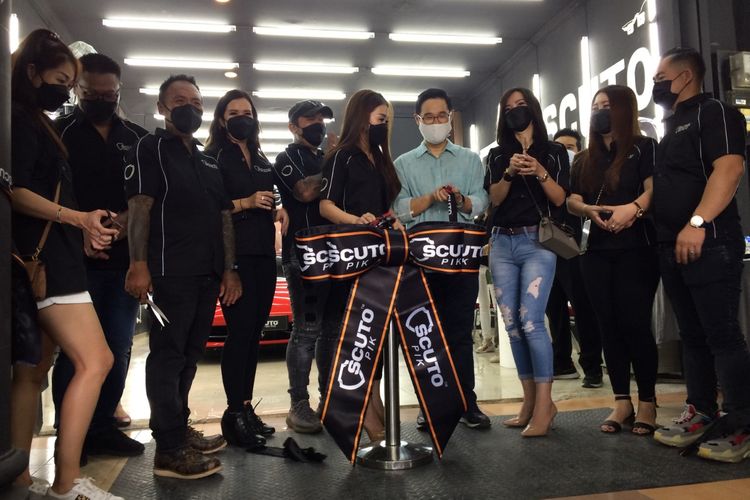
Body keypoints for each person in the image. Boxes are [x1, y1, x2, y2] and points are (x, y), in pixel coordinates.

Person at [9, 29, 122, 499]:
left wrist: (82, 234)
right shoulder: (22, 121)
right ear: (32, 72)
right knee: (97, 360)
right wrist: (76, 219)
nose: (65, 92)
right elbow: (15, 190)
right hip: (50, 266)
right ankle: (67, 482)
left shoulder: (33, 120)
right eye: (61, 81)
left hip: (44, 259)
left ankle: (18, 478)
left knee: (32, 371)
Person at [124, 74, 241, 479]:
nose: (189, 108)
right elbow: (140, 206)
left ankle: (178, 427)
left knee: (190, 357)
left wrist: (229, 269)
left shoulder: (208, 160)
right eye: (179, 101)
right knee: (168, 357)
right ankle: (169, 448)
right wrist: (138, 264)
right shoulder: (150, 148)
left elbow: (224, 217)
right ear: (162, 107)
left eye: (195, 102)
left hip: (207, 273)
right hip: (169, 271)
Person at [650, 47, 750, 462]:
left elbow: (729, 169)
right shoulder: (671, 125)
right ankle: (702, 411)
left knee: (722, 336)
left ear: (686, 76)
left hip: (710, 242)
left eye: (660, 78)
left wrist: (697, 223)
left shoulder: (716, 113)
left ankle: (742, 424)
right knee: (692, 336)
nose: (656, 85)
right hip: (672, 247)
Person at [51, 52, 147, 461]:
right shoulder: (59, 132)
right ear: (78, 89)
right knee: (76, 354)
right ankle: (70, 434)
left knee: (119, 346)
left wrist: (124, 222)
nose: (102, 100)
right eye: (92, 94)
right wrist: (82, 230)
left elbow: (148, 196)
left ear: (118, 91)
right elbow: (47, 194)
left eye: (110, 94)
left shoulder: (137, 138)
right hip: (73, 262)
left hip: (123, 262)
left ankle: (103, 426)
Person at [393, 88, 491, 429]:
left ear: (450, 118)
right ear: (418, 120)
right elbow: (398, 209)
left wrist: (462, 201)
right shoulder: (402, 164)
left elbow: (482, 200)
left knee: (459, 334)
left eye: (441, 116)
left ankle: (466, 403)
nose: (435, 122)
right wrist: (428, 199)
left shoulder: (470, 159)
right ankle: (430, 405)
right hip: (420, 263)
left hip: (460, 260)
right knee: (424, 337)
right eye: (429, 117)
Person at [567, 85, 659, 435]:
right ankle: (622, 401)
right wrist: (587, 209)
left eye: (606, 105)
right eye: (595, 106)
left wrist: (632, 209)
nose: (599, 111)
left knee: (635, 323)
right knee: (608, 325)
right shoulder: (584, 159)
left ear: (624, 108)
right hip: (596, 251)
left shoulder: (644, 147)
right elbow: (572, 200)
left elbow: (654, 190)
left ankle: (648, 401)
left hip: (638, 248)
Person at [484, 87, 569, 437]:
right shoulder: (495, 155)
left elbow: (560, 199)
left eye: (521, 105)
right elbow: (494, 199)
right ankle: (530, 400)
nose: (515, 111)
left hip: (538, 241)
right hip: (502, 242)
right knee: (511, 324)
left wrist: (539, 171)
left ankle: (545, 404)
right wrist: (508, 172)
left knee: (531, 320)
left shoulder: (555, 151)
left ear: (533, 108)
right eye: (508, 108)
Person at [319, 89, 403, 442]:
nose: (385, 125)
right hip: (352, 255)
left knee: (379, 333)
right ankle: (365, 408)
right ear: (362, 117)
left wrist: (391, 218)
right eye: (380, 119)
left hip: (381, 255)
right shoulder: (342, 156)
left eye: (387, 120)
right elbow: (325, 206)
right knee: (358, 333)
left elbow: (384, 204)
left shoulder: (380, 158)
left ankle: (375, 398)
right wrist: (356, 220)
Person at [205, 89, 283, 447]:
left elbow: (272, 198)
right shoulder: (214, 157)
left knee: (253, 336)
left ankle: (247, 407)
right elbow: (209, 209)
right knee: (238, 335)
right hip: (234, 258)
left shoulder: (262, 158)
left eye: (247, 112)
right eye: (234, 113)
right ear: (222, 119)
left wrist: (279, 210)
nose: (242, 118)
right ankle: (233, 413)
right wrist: (246, 202)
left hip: (264, 255)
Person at [274, 100, 339, 434]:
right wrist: (334, 158)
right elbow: (305, 191)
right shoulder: (287, 159)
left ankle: (329, 399)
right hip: (303, 255)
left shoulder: (326, 156)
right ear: (293, 126)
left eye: (321, 119)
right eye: (309, 119)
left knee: (332, 331)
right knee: (306, 331)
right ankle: (299, 403)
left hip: (335, 254)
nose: (317, 124)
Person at [548, 128, 604, 388]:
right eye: (559, 147)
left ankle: (592, 367)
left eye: (569, 147)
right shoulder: (549, 176)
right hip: (548, 246)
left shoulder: (585, 175)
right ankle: (562, 362)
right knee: (554, 309)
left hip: (578, 249)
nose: (564, 152)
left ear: (579, 149)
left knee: (583, 308)